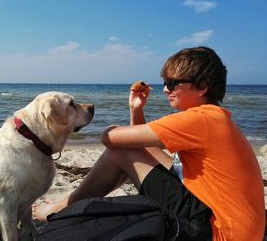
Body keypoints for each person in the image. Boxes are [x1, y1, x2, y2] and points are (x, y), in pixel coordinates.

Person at [33, 47, 265, 240]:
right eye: (165, 82)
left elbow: (110, 140)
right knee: (130, 150)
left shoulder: (200, 120)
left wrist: (110, 129)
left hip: (216, 232)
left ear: (202, 86)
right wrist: (136, 109)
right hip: (234, 226)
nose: (165, 89)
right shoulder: (216, 117)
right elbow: (142, 144)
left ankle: (62, 207)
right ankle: (65, 204)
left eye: (173, 83)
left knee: (118, 154)